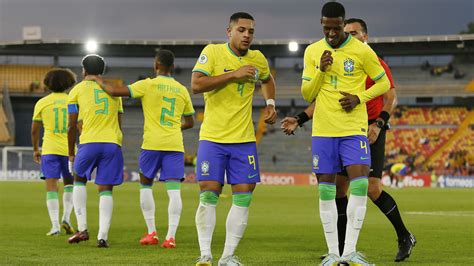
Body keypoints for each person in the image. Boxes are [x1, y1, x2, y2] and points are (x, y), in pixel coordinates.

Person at [282, 17, 416, 262]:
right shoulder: (337, 59)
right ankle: (342, 252)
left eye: (355, 33)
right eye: (348, 32)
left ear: (366, 36)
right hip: (339, 128)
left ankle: (404, 235)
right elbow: (321, 99)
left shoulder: (374, 61)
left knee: (371, 188)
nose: (350, 36)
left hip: (370, 127)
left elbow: (391, 97)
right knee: (339, 190)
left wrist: (378, 124)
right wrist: (300, 119)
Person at [299, 2, 391, 265]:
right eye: (327, 28)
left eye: (336, 27)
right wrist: (320, 70)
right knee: (327, 192)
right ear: (321, 24)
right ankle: (333, 253)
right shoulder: (313, 51)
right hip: (324, 132)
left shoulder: (361, 50)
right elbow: (307, 93)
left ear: (343, 23)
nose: (331, 33)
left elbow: (383, 82)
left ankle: (350, 251)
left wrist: (359, 98)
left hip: (353, 129)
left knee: (360, 185)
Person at [191, 12, 277, 266]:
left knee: (244, 195)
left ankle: (227, 257)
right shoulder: (213, 52)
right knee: (209, 194)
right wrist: (233, 74)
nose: (247, 35)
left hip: (244, 139)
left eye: (251, 31)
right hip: (213, 138)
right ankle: (205, 254)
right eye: (241, 30)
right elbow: (196, 84)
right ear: (229, 32)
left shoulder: (258, 58)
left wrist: (270, 103)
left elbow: (268, 79)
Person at [86, 50, 195, 248]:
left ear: (156, 65)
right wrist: (173, 127)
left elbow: (113, 91)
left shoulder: (148, 84)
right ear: (172, 67)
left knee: (145, 186)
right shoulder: (181, 90)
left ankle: (152, 232)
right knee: (174, 191)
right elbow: (190, 122)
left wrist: (96, 79)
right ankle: (171, 237)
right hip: (174, 144)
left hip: (151, 144)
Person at [67, 54, 124, 248]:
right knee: (106, 189)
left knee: (79, 180)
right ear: (102, 71)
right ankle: (103, 237)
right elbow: (119, 122)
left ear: (83, 70)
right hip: (112, 143)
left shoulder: (77, 90)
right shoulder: (114, 89)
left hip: (89, 141)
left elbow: (72, 125)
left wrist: (71, 152)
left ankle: (82, 229)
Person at [31, 68, 77, 236]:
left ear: (47, 84)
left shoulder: (42, 103)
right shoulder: (73, 100)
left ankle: (55, 226)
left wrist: (36, 149)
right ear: (69, 83)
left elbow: (35, 130)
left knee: (51, 186)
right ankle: (67, 217)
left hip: (49, 149)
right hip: (70, 149)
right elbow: (79, 126)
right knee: (70, 184)